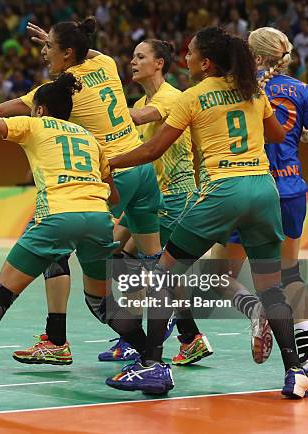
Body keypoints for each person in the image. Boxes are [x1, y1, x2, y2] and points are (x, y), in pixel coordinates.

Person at [0, 17, 164, 366]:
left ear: (68, 52)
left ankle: (58, 340)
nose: (43, 52)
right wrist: (59, 40)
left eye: (49, 48)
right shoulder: (105, 63)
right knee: (151, 260)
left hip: (111, 171)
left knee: (55, 248)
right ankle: (182, 333)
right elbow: (83, 50)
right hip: (141, 169)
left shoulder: (57, 92)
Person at [104, 27, 308, 399]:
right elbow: (278, 135)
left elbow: (152, 150)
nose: (185, 58)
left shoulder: (193, 97)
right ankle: (296, 372)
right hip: (264, 190)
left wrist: (111, 162)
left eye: (190, 53)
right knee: (272, 286)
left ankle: (152, 365)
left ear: (206, 62)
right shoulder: (253, 90)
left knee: (162, 277)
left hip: (223, 190)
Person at [0, 73, 122, 394]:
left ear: (39, 110)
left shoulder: (35, 125)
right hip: (98, 215)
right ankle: (152, 359)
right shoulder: (90, 137)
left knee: (1, 294)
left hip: (56, 215)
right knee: (102, 303)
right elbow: (114, 194)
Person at [212, 27, 308, 381]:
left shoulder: (236, 89)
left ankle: (253, 309)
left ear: (253, 56)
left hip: (247, 188)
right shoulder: (302, 91)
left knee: (221, 277)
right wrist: (306, 134)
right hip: (290, 190)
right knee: (290, 274)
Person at [98, 39, 210, 366]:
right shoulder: (144, 98)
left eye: (140, 56)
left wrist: (96, 105)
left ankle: (178, 337)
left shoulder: (171, 98)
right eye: (132, 56)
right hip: (149, 195)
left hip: (175, 196)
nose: (133, 61)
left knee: (157, 270)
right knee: (118, 253)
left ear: (159, 63)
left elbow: (135, 118)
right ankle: (177, 337)